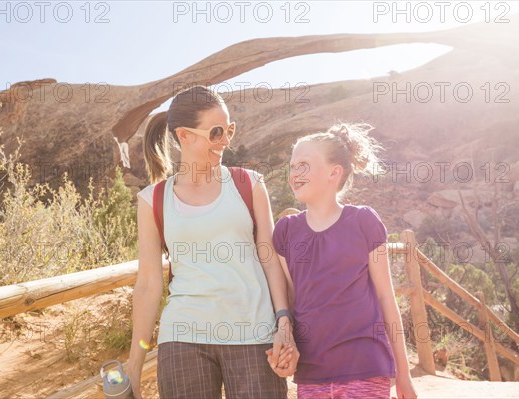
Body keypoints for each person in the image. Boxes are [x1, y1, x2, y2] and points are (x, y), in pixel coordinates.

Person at [127, 85, 298, 399]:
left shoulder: (249, 184)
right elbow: (149, 284)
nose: (226, 141)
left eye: (229, 130)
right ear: (184, 136)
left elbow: (270, 258)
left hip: (254, 335)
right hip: (183, 337)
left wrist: (284, 324)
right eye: (216, 132)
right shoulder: (152, 200)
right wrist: (134, 367)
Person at [270, 123, 418, 399]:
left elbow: (387, 299)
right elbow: (292, 300)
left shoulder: (363, 222)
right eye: (292, 167)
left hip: (365, 367)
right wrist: (286, 342)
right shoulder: (286, 231)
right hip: (312, 373)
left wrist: (404, 375)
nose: (294, 174)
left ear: (334, 173)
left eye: (304, 165)